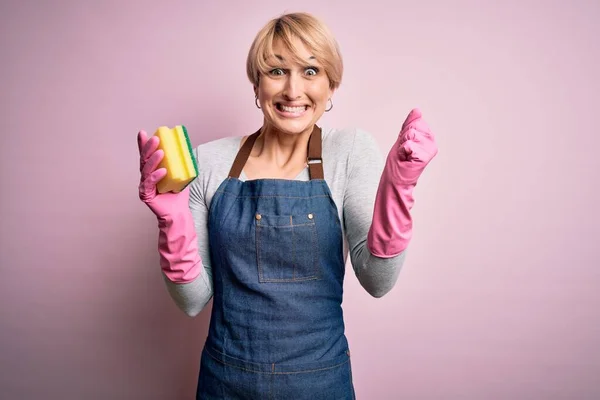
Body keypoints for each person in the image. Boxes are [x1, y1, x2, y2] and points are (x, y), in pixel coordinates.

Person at [137, 11, 438, 400]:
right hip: (226, 383)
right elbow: (192, 301)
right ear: (257, 83)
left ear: (332, 85)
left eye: (311, 71)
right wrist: (171, 219)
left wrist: (399, 186)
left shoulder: (348, 151)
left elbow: (377, 281)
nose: (293, 90)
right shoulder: (209, 161)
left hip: (319, 383)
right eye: (277, 71)